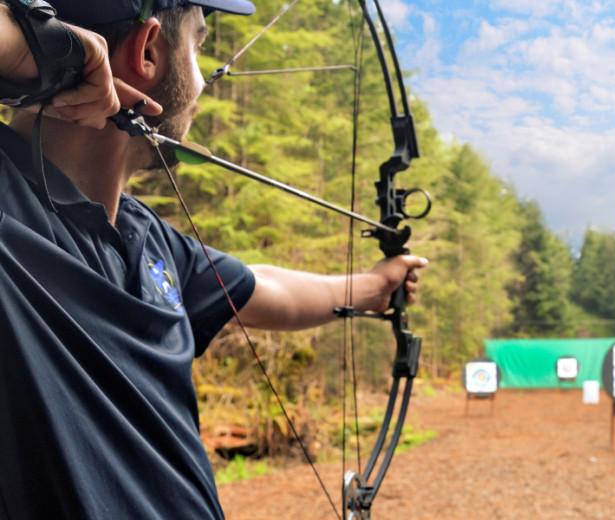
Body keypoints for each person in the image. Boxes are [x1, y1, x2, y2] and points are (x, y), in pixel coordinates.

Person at [0, 0, 427, 518]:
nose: (206, 82)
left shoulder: (147, 237)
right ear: (148, 50)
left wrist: (376, 288)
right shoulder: (10, 216)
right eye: (200, 46)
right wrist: (42, 50)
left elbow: (260, 290)